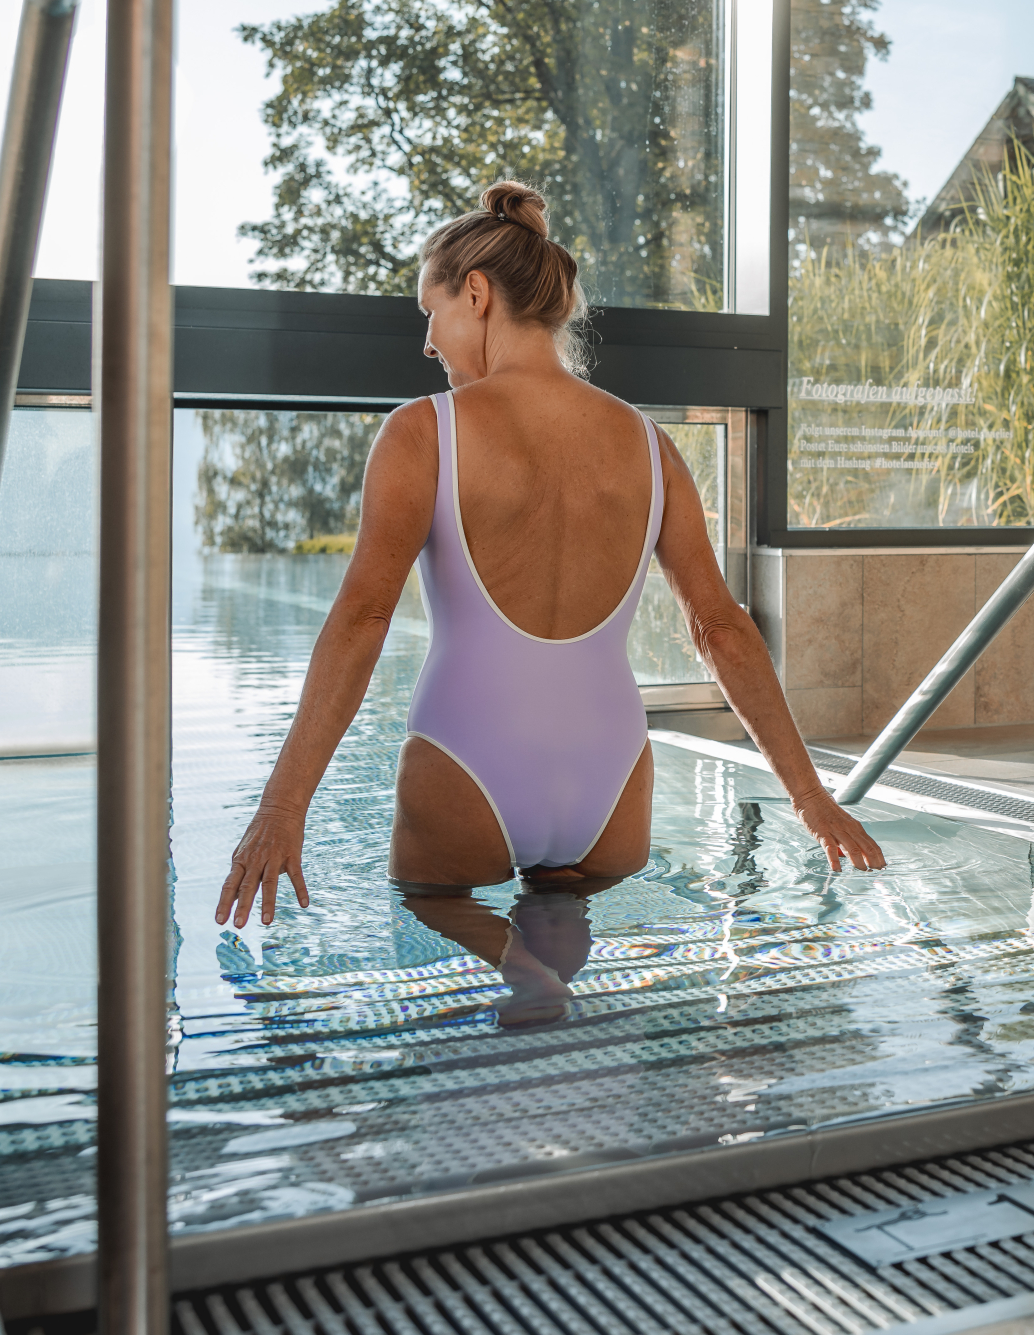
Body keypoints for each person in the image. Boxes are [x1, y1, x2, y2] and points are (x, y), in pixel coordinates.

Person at [215, 180, 885, 1023]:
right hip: (609, 777)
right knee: (565, 903)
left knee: (434, 901)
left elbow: (362, 619)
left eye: (430, 313)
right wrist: (810, 796)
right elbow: (720, 627)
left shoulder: (425, 431)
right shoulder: (650, 445)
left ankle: (517, 969)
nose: (427, 342)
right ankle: (550, 991)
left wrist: (281, 809)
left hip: (467, 755)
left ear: (476, 293)